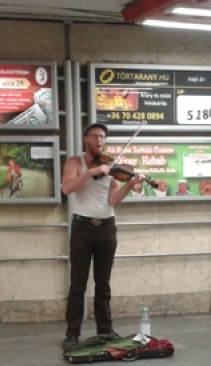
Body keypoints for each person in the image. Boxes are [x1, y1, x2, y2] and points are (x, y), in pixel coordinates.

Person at [60, 123, 146, 351]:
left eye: (102, 137)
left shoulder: (110, 165)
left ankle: (105, 330)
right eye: (94, 136)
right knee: (78, 284)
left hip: (106, 227)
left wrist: (130, 184)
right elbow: (67, 188)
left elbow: (113, 200)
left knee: (103, 283)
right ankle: (72, 333)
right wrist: (90, 172)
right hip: (82, 227)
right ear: (85, 138)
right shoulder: (75, 162)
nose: (99, 141)